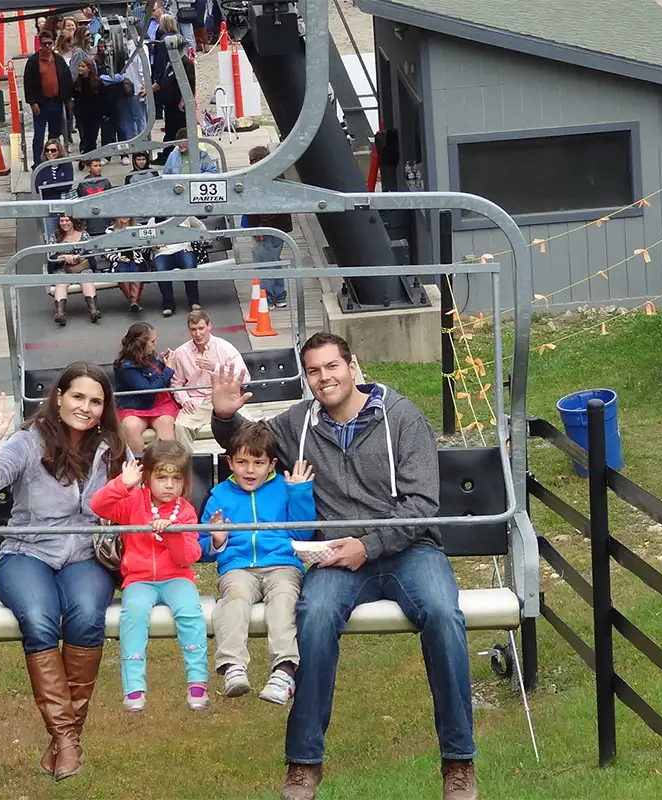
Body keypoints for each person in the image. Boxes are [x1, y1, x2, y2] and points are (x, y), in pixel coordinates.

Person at [209, 332, 479, 800]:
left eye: (332, 367)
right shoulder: (299, 424)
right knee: (312, 617)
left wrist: (368, 545)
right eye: (313, 371)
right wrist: (225, 415)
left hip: (409, 548)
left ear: (353, 367)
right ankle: (304, 763)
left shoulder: (402, 418)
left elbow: (421, 506)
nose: (323, 378)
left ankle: (458, 761)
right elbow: (248, 448)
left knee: (442, 612)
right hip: (334, 553)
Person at [0, 364, 128, 783]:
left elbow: (133, 498)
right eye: (78, 397)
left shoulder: (111, 448)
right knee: (39, 620)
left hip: (85, 555)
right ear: (59, 397)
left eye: (96, 401)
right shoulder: (28, 440)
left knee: (87, 616)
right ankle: (67, 738)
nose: (86, 408)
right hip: (28, 552)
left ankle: (64, 739)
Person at [199, 422, 315, 703]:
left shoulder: (283, 490)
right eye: (241, 462)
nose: (250, 471)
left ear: (271, 464)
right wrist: (216, 540)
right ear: (230, 462)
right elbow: (201, 548)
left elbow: (303, 532)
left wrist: (299, 493)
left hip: (282, 565)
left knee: (285, 597)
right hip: (238, 568)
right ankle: (232, 666)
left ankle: (284, 669)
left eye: (258, 463)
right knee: (234, 598)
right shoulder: (219, 496)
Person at [89, 440, 208, 712]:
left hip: (177, 578)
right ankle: (134, 688)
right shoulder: (132, 502)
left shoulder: (185, 512)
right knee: (133, 615)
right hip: (140, 580)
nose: (169, 485)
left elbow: (188, 557)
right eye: (161, 477)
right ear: (147, 477)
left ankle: (197, 681)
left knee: (190, 613)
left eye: (176, 478)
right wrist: (122, 483)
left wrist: (172, 533)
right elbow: (98, 505)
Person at [169, 310, 248, 450]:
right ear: (189, 330)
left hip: (224, 397)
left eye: (201, 328)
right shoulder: (181, 352)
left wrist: (216, 367)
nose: (198, 334)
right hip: (196, 402)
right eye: (193, 330)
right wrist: (184, 399)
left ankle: (239, 460)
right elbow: (176, 382)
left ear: (209, 326)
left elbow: (245, 377)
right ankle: (188, 467)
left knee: (248, 425)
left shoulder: (224, 347)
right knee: (180, 427)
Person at [114, 322, 180, 455]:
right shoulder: (126, 367)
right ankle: (140, 465)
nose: (155, 344)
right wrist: (168, 370)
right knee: (130, 426)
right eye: (152, 341)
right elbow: (148, 390)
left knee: (166, 422)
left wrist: (162, 363)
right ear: (141, 344)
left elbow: (157, 377)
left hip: (160, 404)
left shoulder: (149, 356)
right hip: (135, 407)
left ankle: (165, 463)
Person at [245, 145, 293, 308]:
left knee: (264, 264)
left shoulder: (265, 177)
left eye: (252, 161)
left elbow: (268, 207)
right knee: (274, 260)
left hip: (268, 228)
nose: (250, 164)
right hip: (278, 227)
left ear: (259, 160)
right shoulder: (276, 173)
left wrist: (261, 228)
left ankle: (267, 298)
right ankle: (279, 295)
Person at [24, 29, 75, 166]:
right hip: (41, 104)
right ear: (40, 44)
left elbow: (66, 79)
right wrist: (32, 102)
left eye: (49, 43)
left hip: (56, 102)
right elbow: (28, 83)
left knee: (55, 135)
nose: (47, 47)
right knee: (39, 136)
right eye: (44, 44)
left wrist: (68, 99)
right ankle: (37, 164)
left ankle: (54, 162)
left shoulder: (58, 60)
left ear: (53, 43)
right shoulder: (33, 61)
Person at [46, 215, 102, 326]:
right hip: (64, 268)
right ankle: (60, 314)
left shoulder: (84, 234)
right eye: (62, 221)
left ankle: (93, 311)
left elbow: (90, 252)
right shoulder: (55, 237)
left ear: (73, 222)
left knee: (86, 280)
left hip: (81, 266)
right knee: (61, 283)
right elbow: (51, 256)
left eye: (67, 220)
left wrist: (78, 257)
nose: (64, 223)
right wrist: (64, 257)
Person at [152, 214, 207, 316]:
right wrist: (154, 244)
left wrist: (202, 239)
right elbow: (146, 237)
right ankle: (168, 304)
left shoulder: (185, 217)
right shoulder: (153, 221)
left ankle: (194, 301)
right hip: (163, 252)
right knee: (161, 269)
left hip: (183, 249)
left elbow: (200, 225)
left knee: (189, 265)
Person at [104, 216, 149, 312]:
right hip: (119, 261)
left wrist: (137, 243)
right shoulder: (110, 230)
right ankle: (133, 302)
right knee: (122, 271)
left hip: (136, 259)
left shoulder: (139, 228)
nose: (124, 217)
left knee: (136, 269)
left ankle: (133, 302)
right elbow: (107, 252)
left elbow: (145, 249)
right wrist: (118, 258)